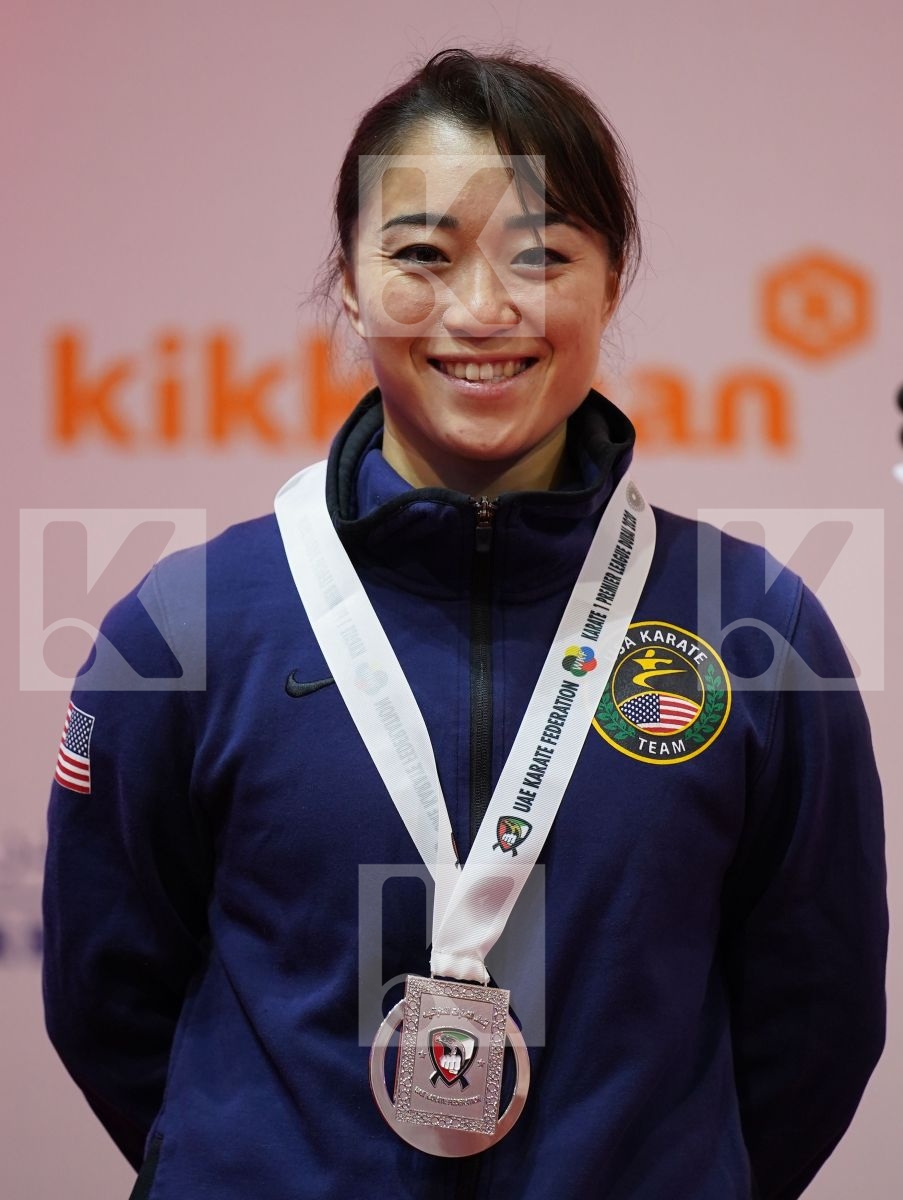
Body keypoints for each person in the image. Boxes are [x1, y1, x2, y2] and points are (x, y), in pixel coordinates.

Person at [42, 47, 887, 1200]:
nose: (482, 311)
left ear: (613, 279)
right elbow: (109, 998)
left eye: (541, 255)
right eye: (422, 256)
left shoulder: (756, 631)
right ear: (347, 277)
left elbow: (815, 1021)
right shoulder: (187, 627)